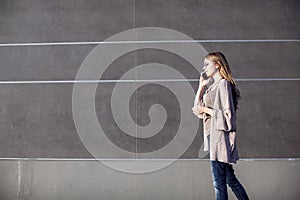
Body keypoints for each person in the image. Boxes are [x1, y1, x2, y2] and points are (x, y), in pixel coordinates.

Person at [192, 52, 250, 200]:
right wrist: (200, 89)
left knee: (219, 183)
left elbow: (228, 116)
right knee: (230, 180)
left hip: (219, 138)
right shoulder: (213, 86)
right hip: (214, 136)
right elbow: (196, 110)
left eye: (207, 64)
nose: (204, 68)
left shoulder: (223, 84)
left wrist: (205, 109)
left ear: (217, 64)